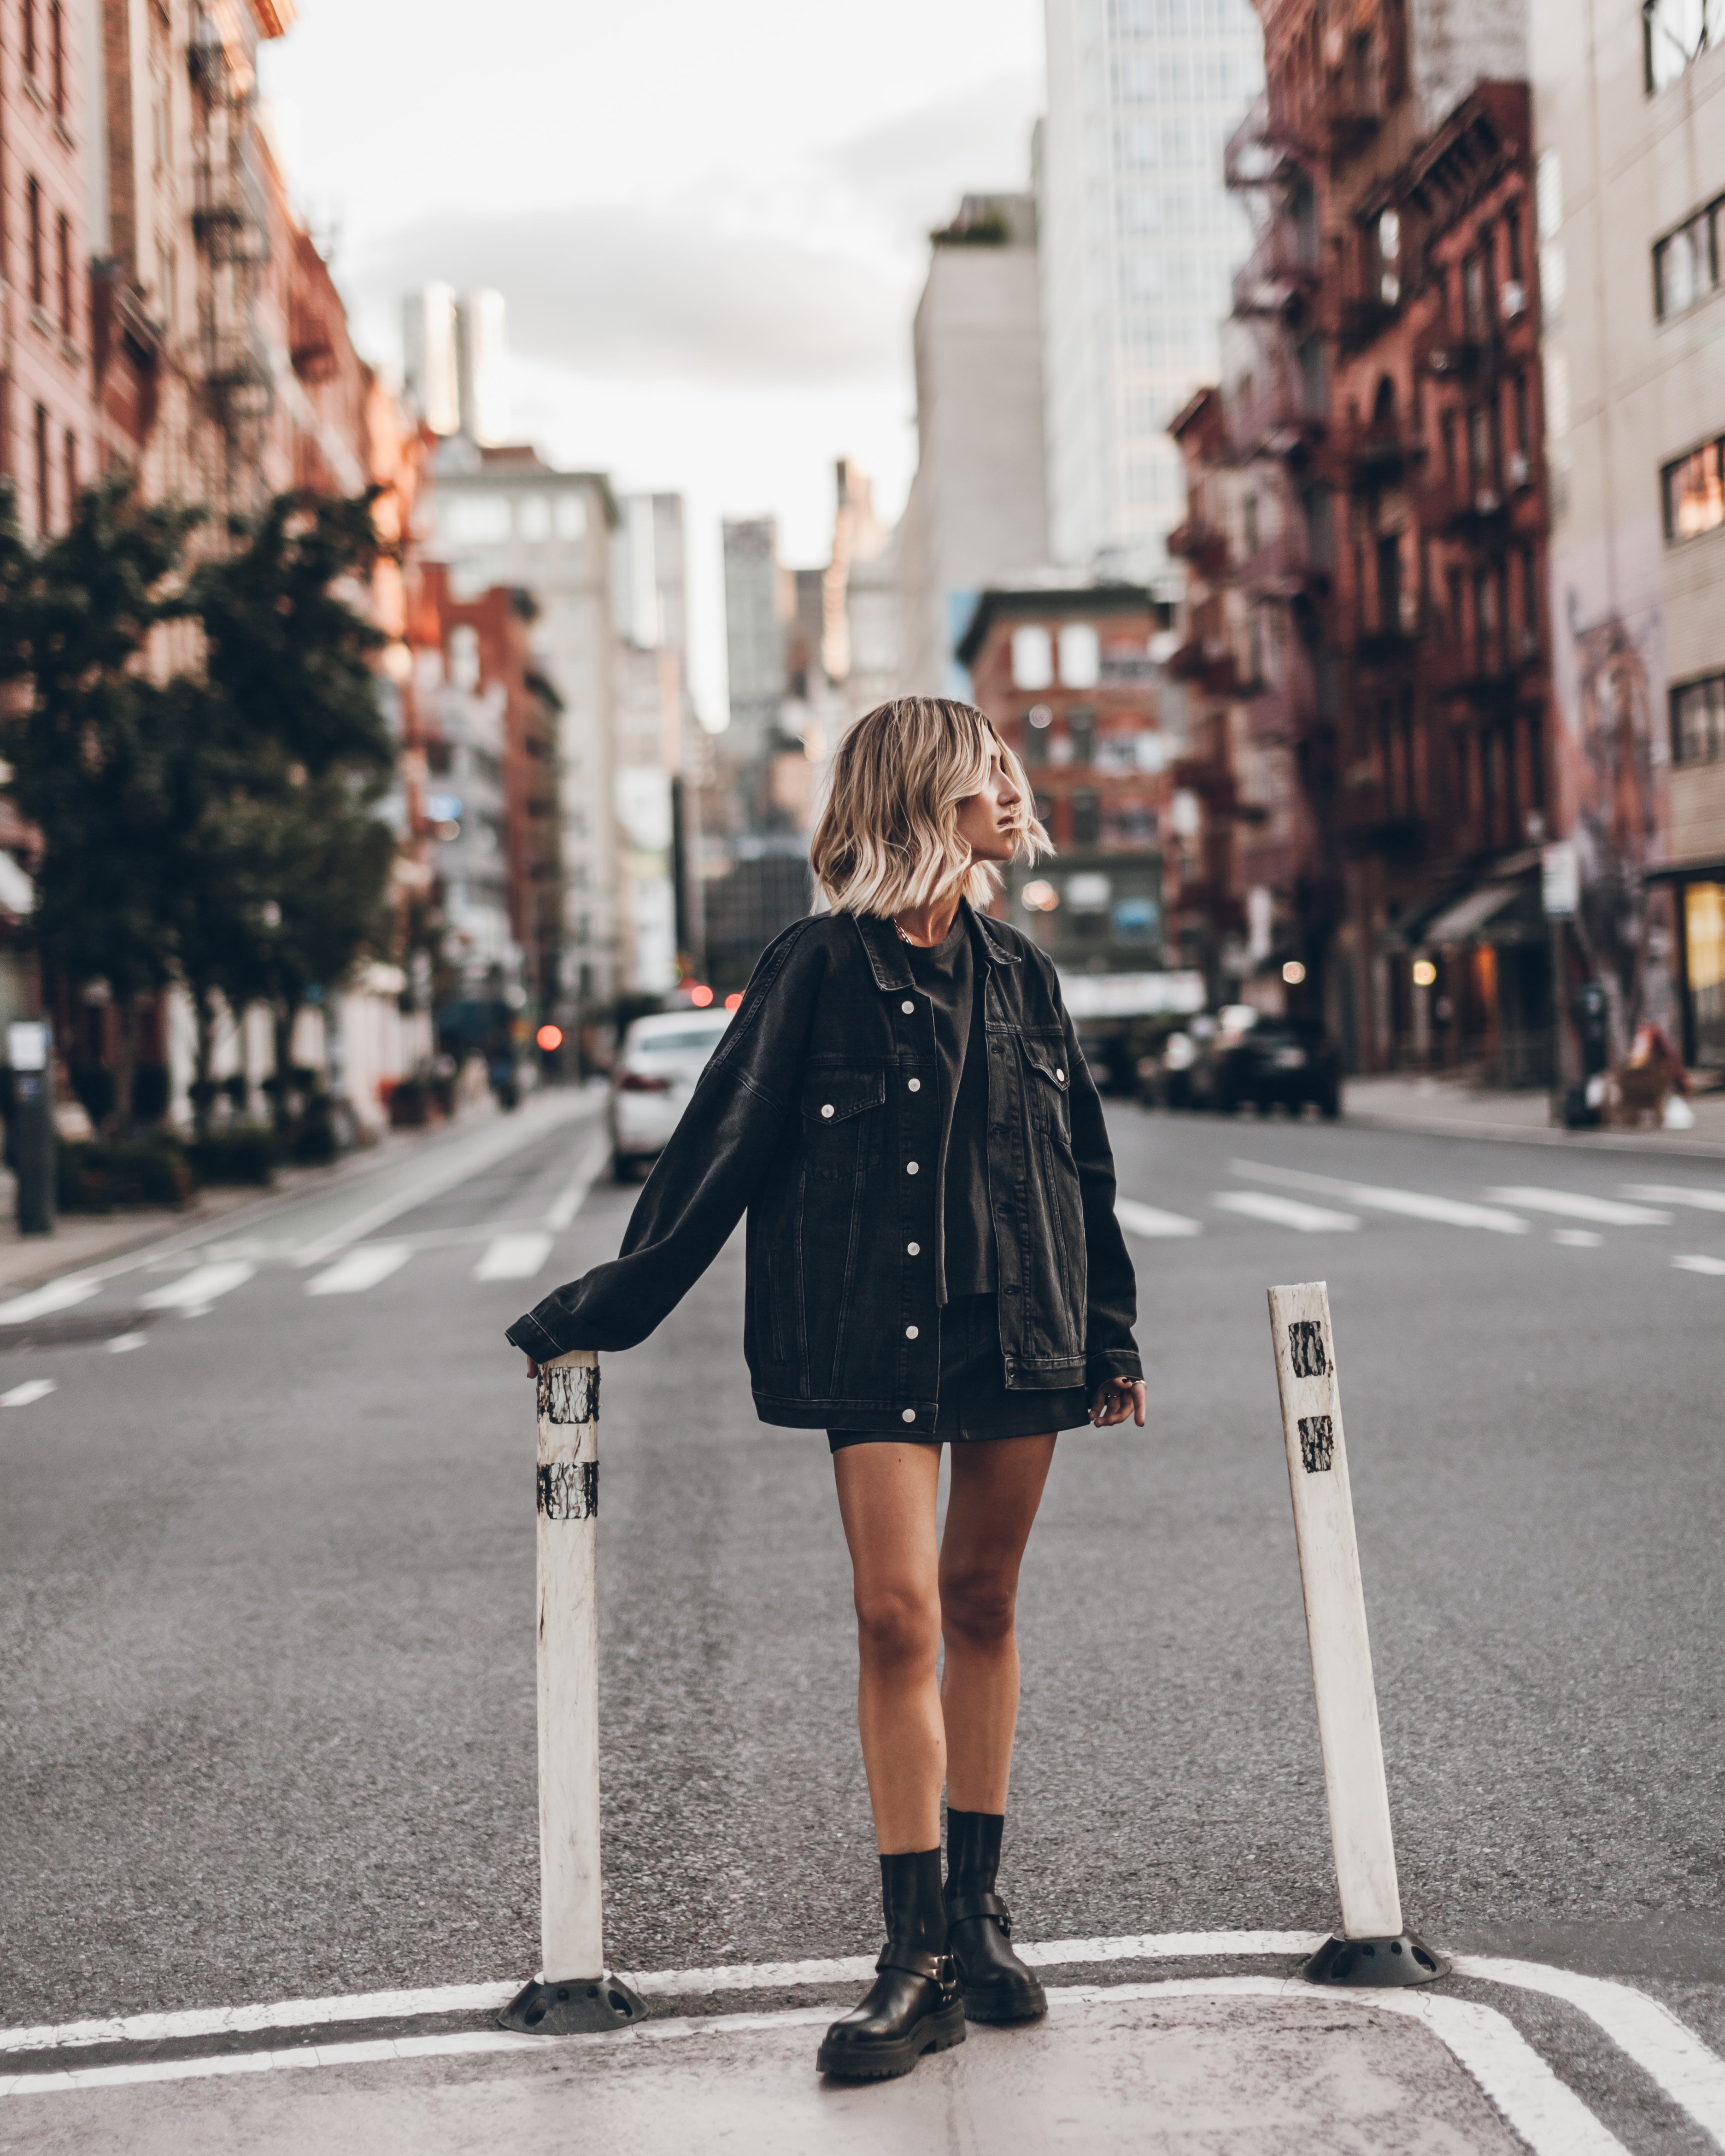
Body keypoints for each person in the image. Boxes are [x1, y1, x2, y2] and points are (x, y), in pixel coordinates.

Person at [507, 697, 1145, 2081]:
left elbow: (1080, 1166)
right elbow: (715, 1153)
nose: (1013, 791)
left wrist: (1112, 1337)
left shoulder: (1023, 973)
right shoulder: (813, 968)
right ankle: (910, 1953)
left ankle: (977, 1924)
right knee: (895, 1611)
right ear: (928, 794)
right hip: (875, 1333)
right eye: (989, 774)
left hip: (1019, 1331)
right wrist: (598, 1313)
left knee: (982, 1603)